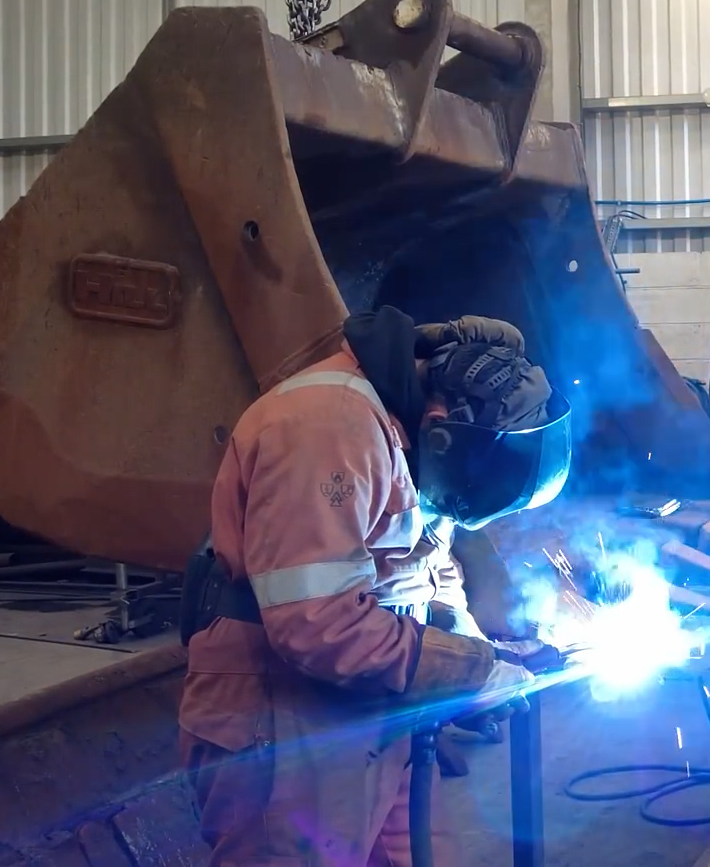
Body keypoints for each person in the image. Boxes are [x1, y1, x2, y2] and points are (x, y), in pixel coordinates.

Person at [177, 306, 571, 866]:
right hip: (284, 714)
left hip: (374, 703)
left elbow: (420, 562)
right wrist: (467, 671)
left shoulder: (409, 428)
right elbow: (317, 622)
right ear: (441, 423)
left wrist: (467, 642)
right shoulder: (326, 426)